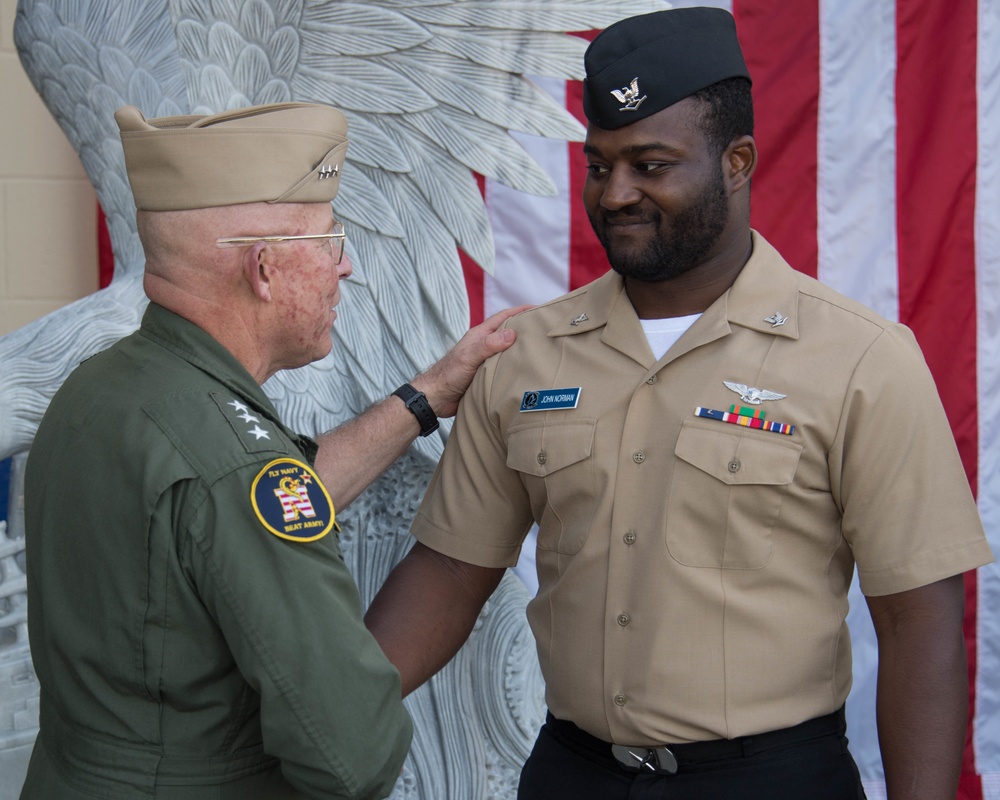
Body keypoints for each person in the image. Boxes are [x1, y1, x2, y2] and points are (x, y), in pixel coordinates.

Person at [364, 7, 994, 800]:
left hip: (768, 780)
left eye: (650, 164)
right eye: (599, 165)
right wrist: (317, 715)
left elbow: (919, 622)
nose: (616, 192)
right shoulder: (526, 356)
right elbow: (452, 571)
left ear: (737, 161)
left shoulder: (862, 359)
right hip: (573, 775)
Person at [19, 102, 522, 799]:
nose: (344, 267)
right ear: (263, 269)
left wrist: (428, 394)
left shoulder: (103, 388)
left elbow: (240, 502)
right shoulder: (237, 463)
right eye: (328, 241)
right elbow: (356, 752)